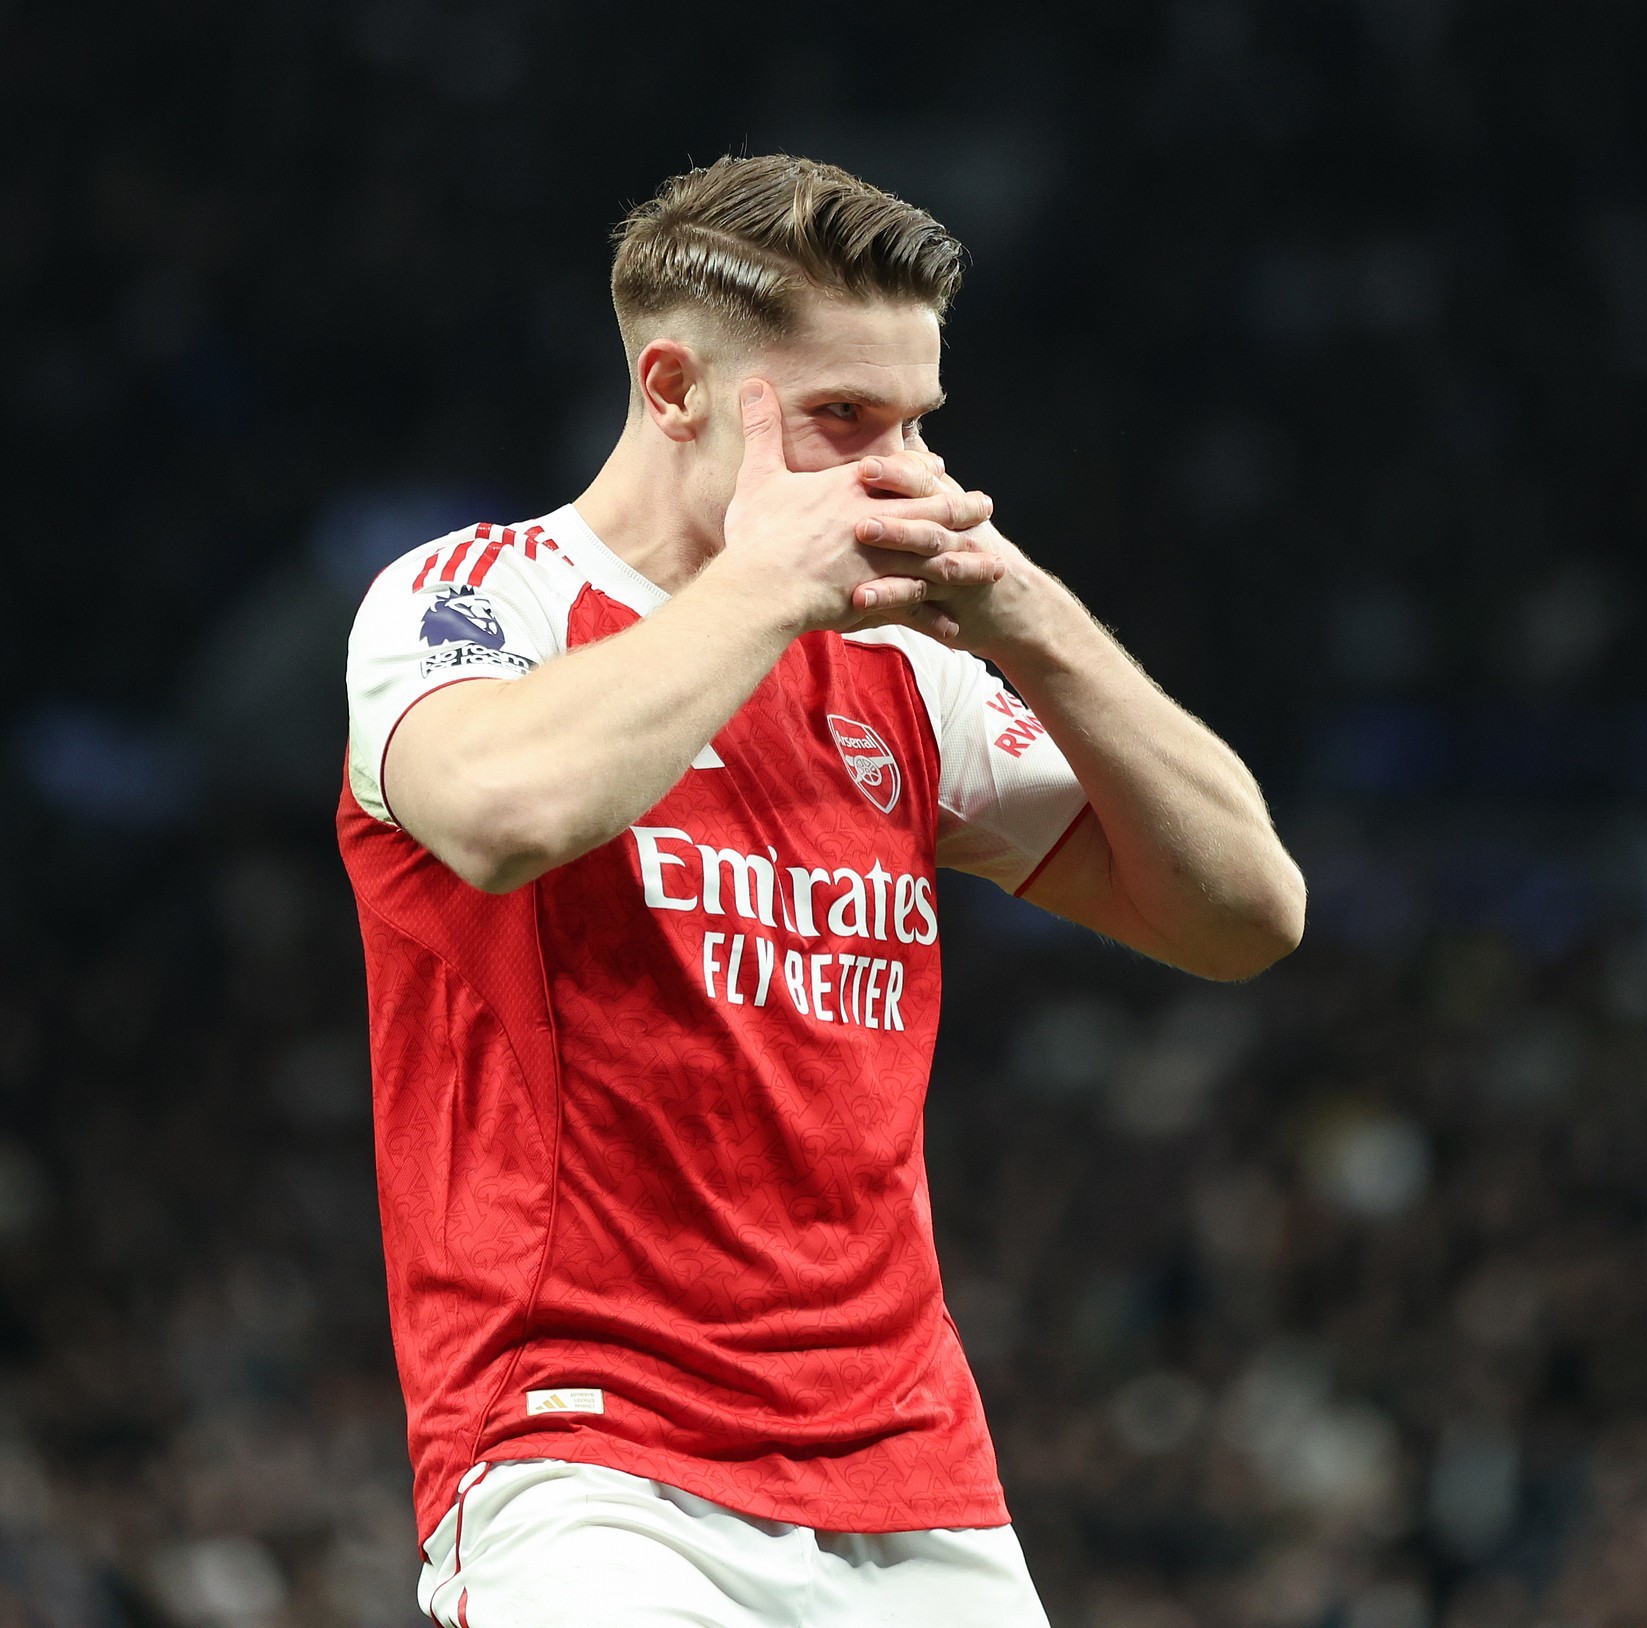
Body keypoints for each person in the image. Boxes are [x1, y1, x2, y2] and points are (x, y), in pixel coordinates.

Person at [336, 154, 1305, 1627]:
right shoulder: (477, 595)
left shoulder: (902, 675)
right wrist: (768, 585)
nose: (900, 472)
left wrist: (1027, 617)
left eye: (918, 421)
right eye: (844, 418)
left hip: (914, 1470)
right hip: (589, 1458)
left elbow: (1245, 914)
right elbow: (505, 813)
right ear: (674, 389)